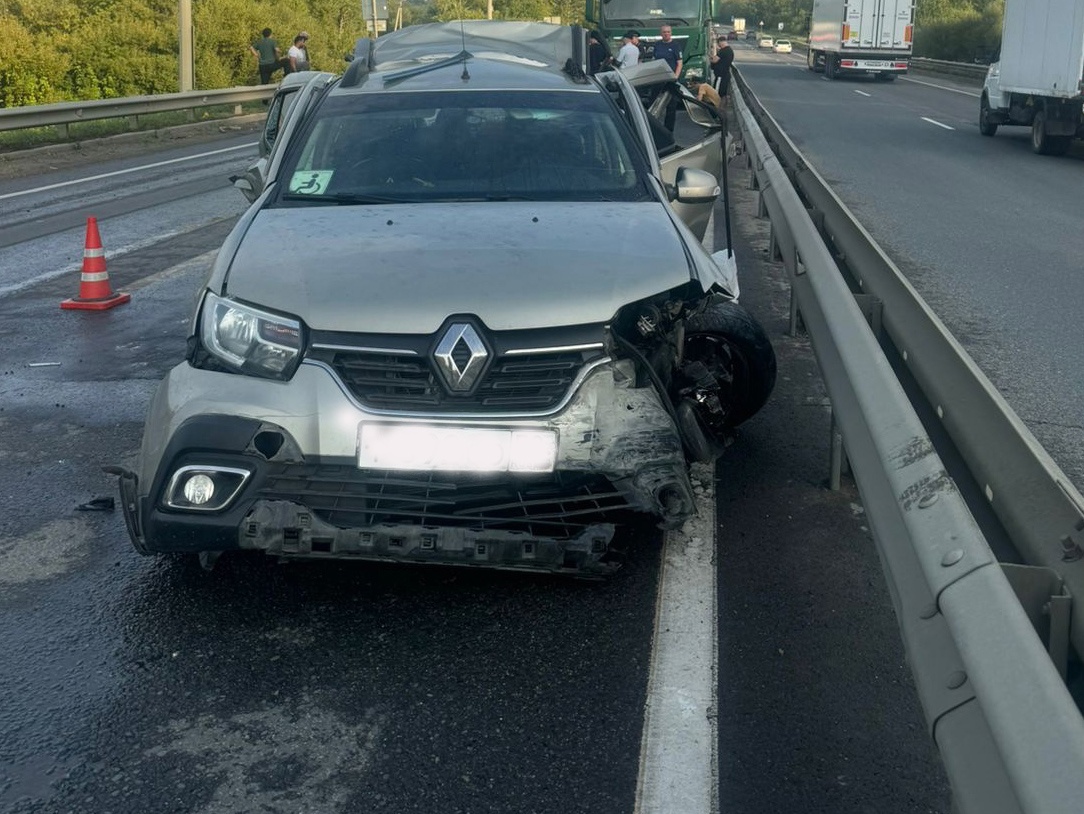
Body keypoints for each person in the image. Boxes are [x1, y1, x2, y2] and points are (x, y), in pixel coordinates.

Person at [652, 25, 683, 130]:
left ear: (671, 33)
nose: (666, 34)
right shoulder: (657, 45)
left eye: (668, 32)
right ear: (661, 33)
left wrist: (675, 77)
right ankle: (655, 128)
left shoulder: (675, 46)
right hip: (658, 79)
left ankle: (669, 130)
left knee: (671, 107)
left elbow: (679, 63)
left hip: (670, 80)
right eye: (664, 32)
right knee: (654, 104)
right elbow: (654, 60)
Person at [710, 35, 734, 112]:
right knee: (723, 94)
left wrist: (710, 57)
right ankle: (722, 109)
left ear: (721, 42)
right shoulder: (730, 50)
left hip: (720, 75)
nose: (719, 45)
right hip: (725, 74)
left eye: (719, 43)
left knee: (717, 93)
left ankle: (718, 110)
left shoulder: (723, 51)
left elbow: (714, 60)